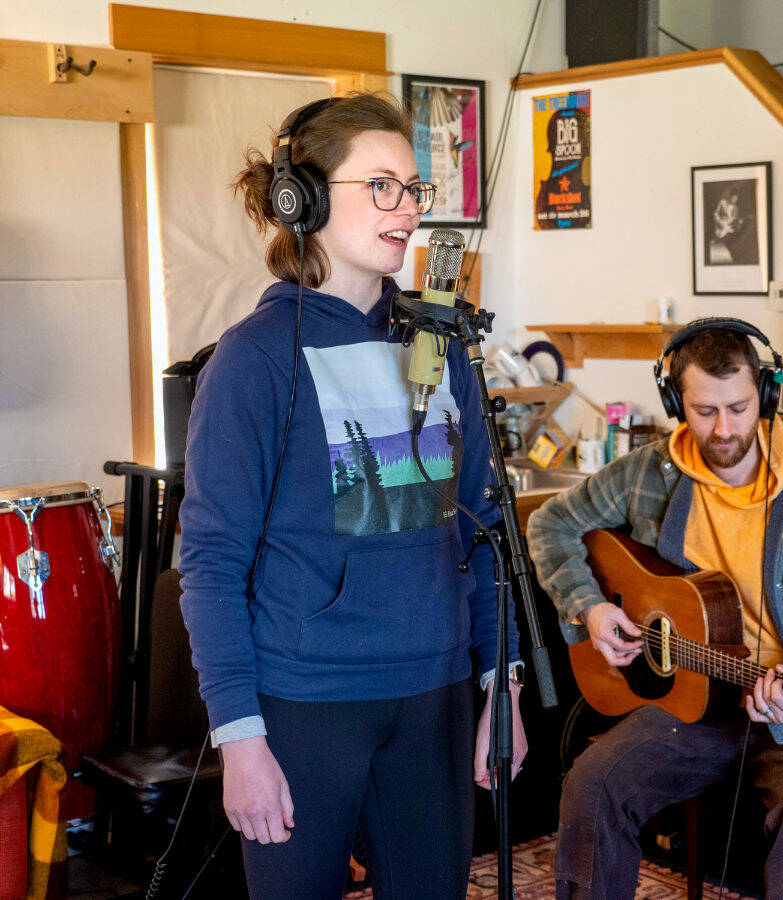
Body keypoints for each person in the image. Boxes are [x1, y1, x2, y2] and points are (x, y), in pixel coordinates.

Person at [179, 92, 527, 900]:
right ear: (302, 199)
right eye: (380, 186)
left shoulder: (441, 342)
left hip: (435, 693)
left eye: (414, 188)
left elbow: (482, 530)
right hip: (305, 705)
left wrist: (500, 682)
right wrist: (240, 740)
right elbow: (212, 564)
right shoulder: (255, 359)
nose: (408, 209)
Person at [526, 319, 783, 899]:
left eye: (738, 408)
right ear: (674, 402)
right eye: (703, 410)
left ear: (764, 395)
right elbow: (550, 524)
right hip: (696, 702)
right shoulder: (648, 473)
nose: (723, 429)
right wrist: (588, 607)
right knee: (593, 783)